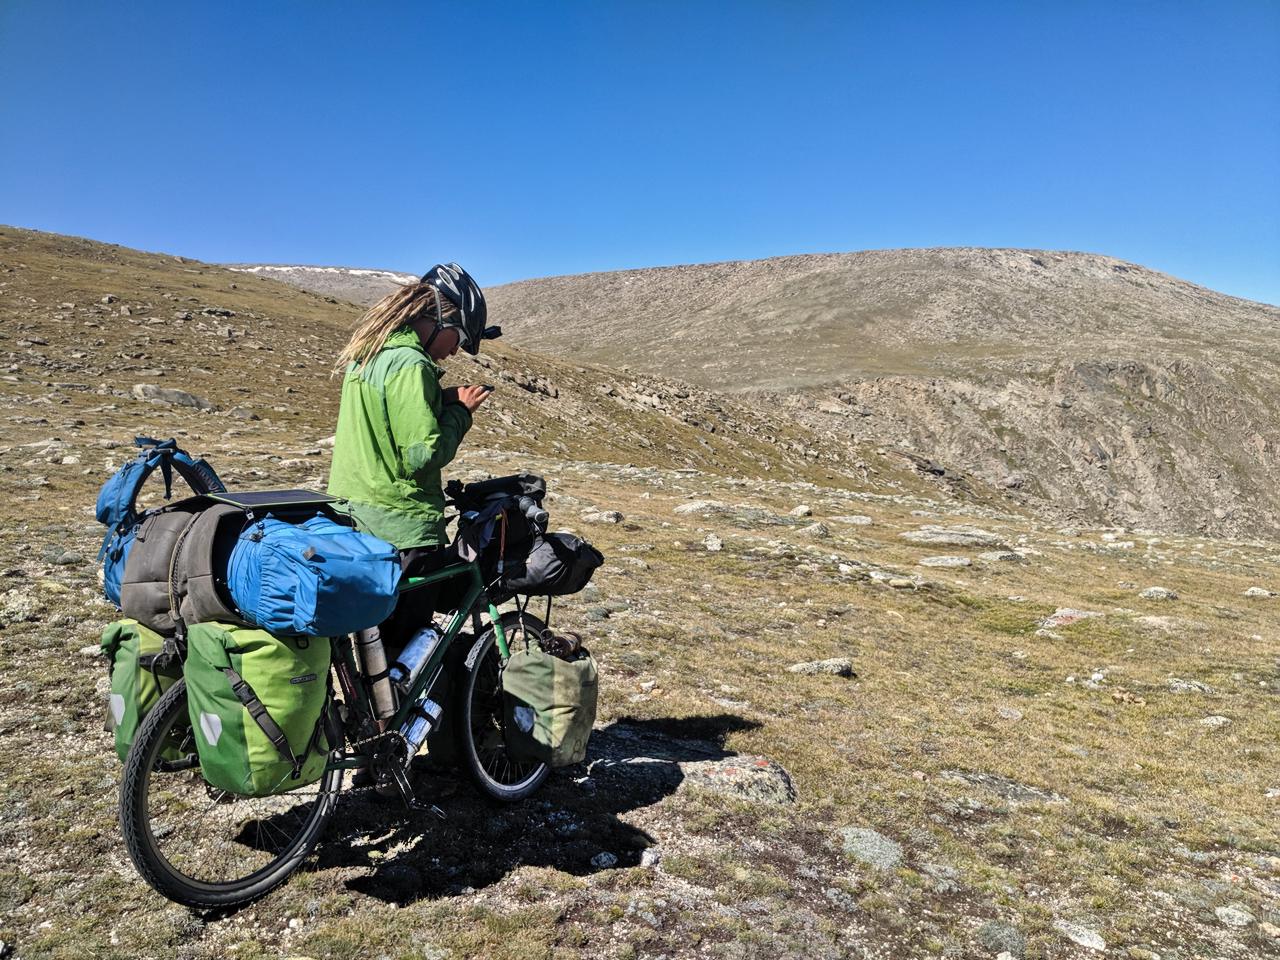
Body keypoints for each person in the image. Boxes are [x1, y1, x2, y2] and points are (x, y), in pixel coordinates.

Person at [327, 262, 497, 650]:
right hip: (400, 525)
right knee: (402, 643)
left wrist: (444, 396)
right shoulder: (411, 364)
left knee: (370, 641)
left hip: (353, 515)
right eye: (458, 337)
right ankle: (394, 712)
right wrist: (460, 413)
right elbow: (424, 453)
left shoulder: (369, 354)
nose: (455, 350)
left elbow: (389, 416)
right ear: (438, 317)